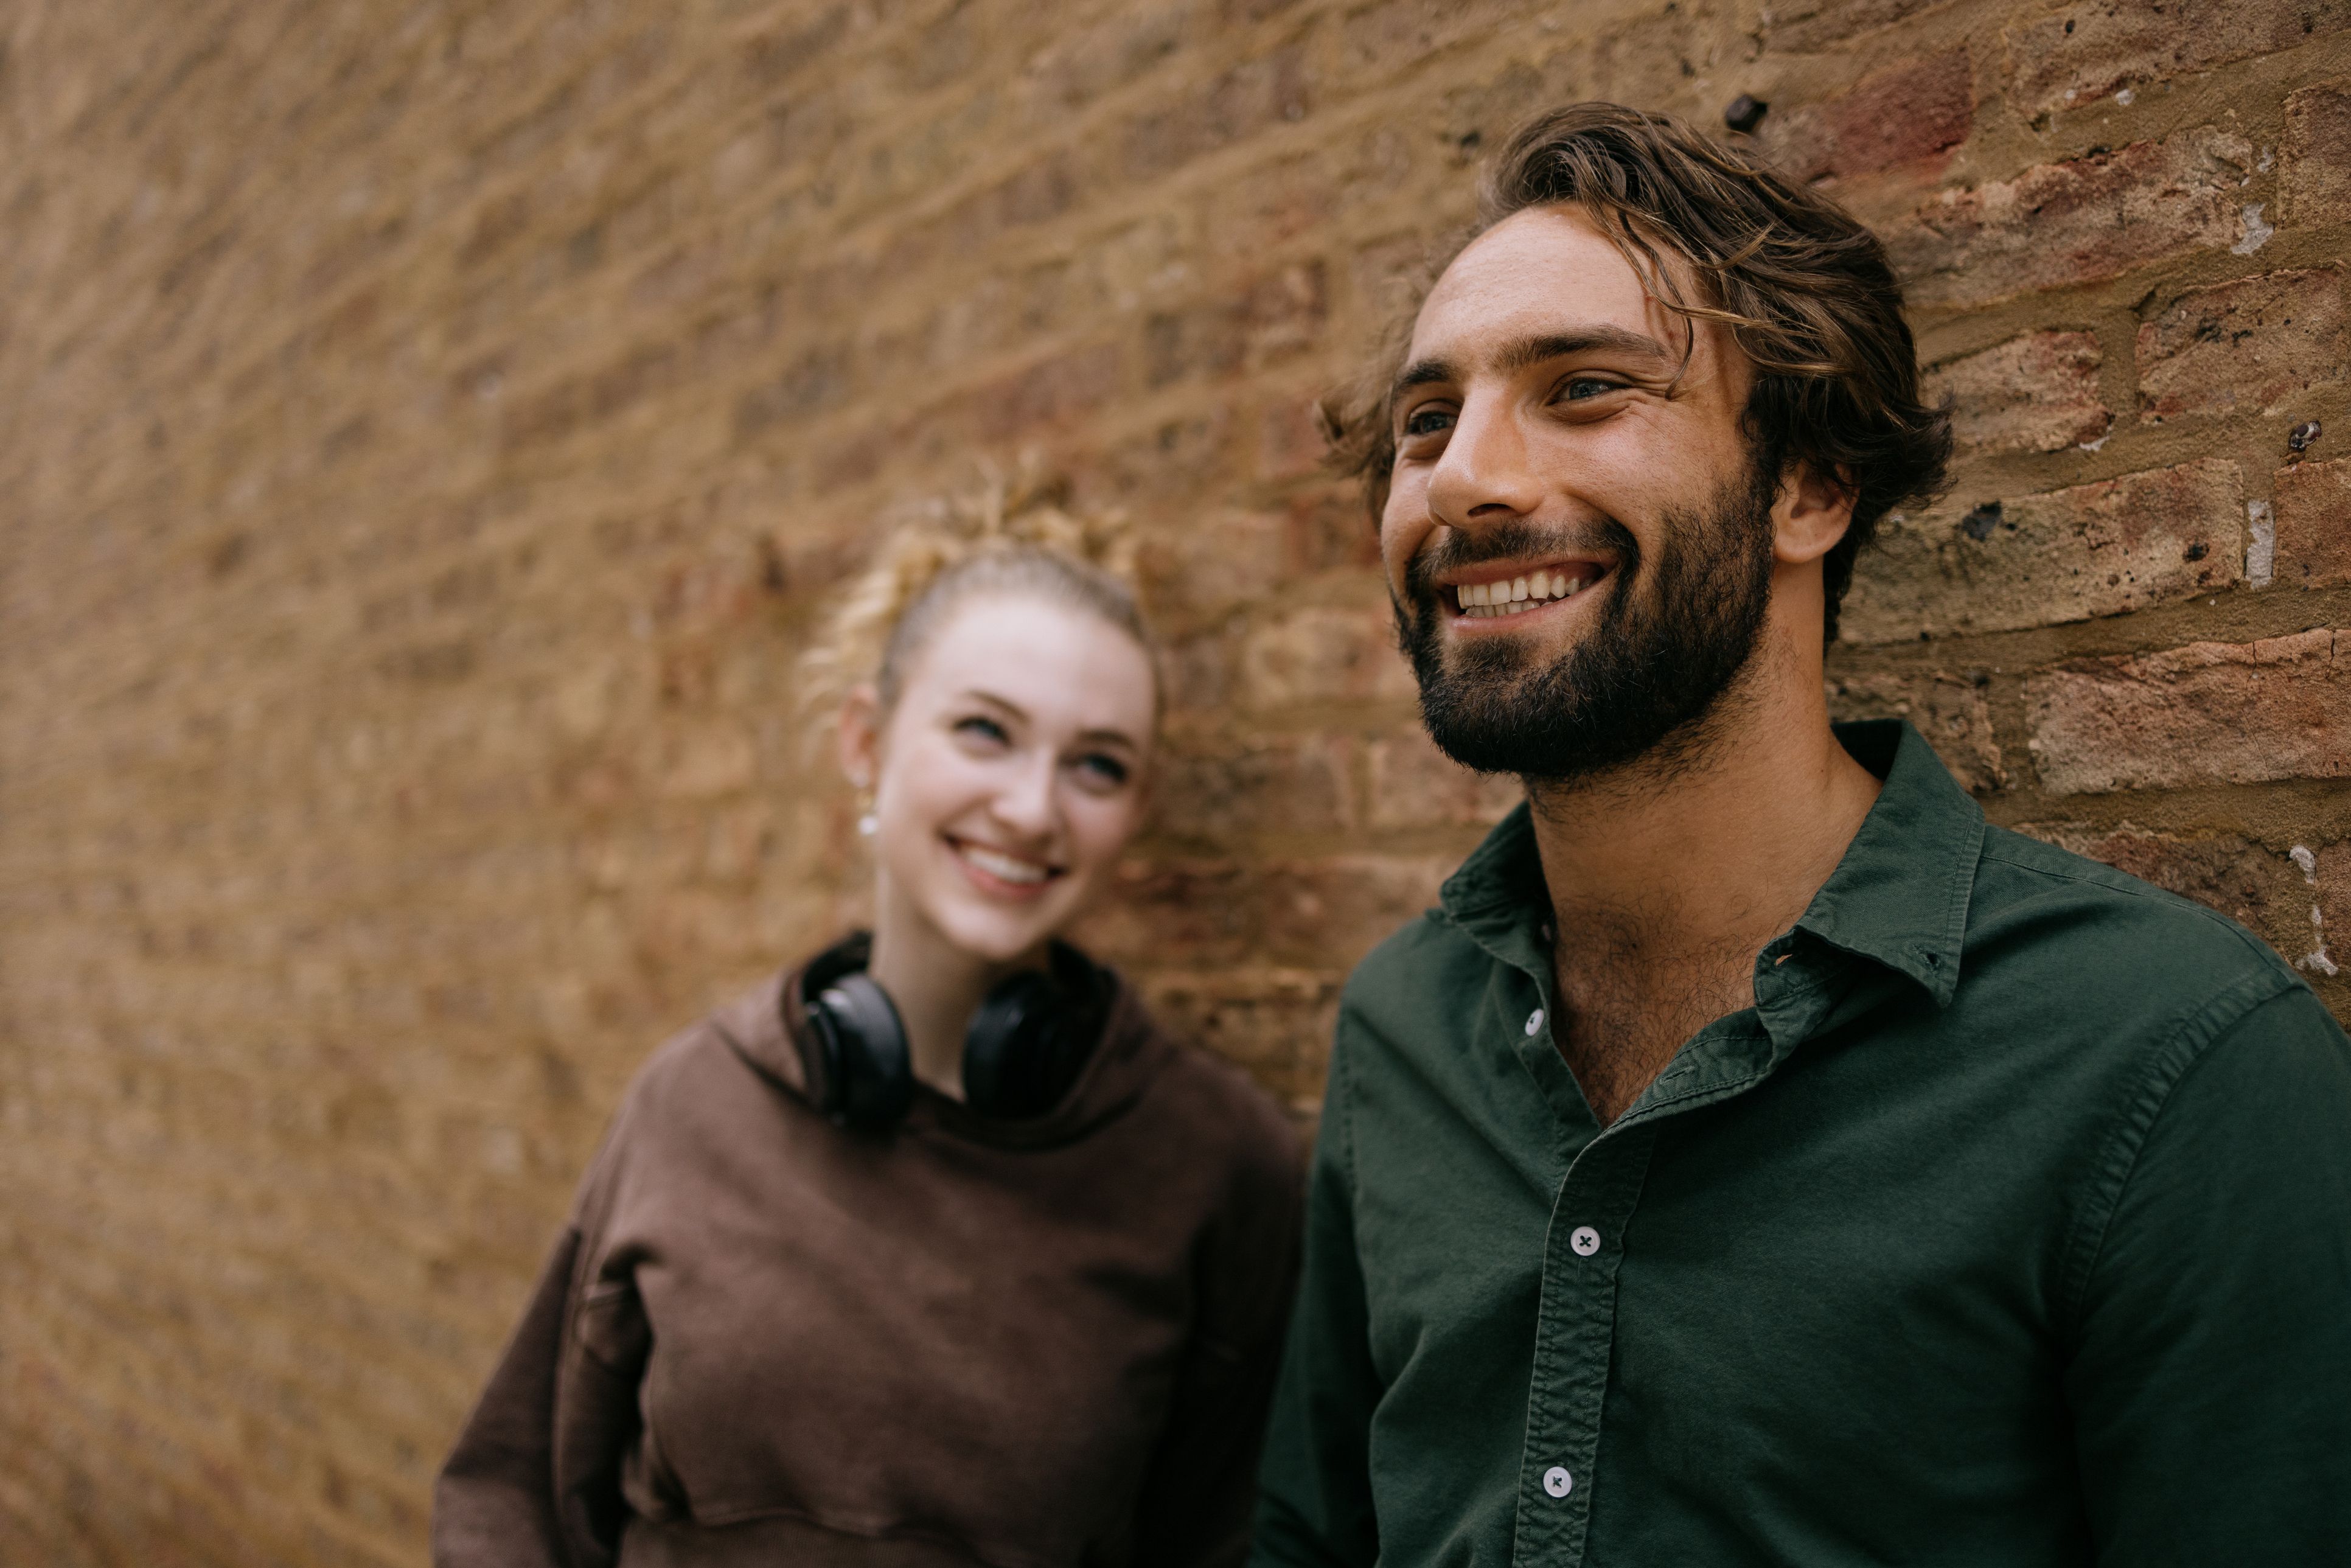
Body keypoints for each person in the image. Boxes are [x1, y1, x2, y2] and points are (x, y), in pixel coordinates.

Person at [1250, 103, 2351, 1567]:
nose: (1461, 477)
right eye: (1425, 420)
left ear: (1810, 485)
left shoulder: (2171, 1059)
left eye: (1583, 387)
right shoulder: (1401, 1022)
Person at [435, 477, 1302, 1567]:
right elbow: (515, 1499)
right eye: (985, 730)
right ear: (865, 743)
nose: (1033, 808)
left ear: (1133, 810)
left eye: (1096, 764)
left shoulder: (1219, 1162)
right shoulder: (691, 1103)